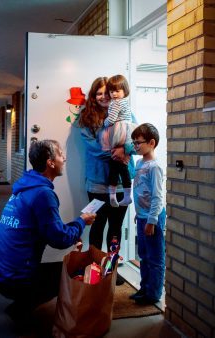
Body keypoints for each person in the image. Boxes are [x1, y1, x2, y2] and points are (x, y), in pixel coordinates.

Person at [0, 139, 96, 325]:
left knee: (54, 268)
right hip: (11, 278)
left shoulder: (25, 187)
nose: (65, 158)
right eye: (61, 154)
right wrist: (82, 221)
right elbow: (59, 239)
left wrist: (74, 229)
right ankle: (21, 309)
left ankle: (21, 303)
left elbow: (52, 230)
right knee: (69, 272)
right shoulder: (43, 194)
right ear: (50, 162)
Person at [77, 77, 136, 285]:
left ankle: (111, 270)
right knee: (97, 226)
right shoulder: (86, 118)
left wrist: (125, 149)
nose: (103, 97)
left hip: (122, 184)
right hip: (97, 183)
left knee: (116, 228)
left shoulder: (126, 111)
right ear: (93, 96)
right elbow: (93, 149)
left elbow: (136, 138)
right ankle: (94, 268)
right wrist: (116, 152)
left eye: (106, 92)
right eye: (98, 93)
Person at [128, 123, 166, 305]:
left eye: (138, 143)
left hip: (154, 217)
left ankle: (153, 294)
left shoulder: (155, 167)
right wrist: (139, 214)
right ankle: (144, 288)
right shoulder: (139, 162)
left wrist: (151, 220)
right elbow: (140, 192)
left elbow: (157, 197)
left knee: (155, 257)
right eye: (133, 143)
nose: (135, 146)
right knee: (143, 255)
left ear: (151, 142)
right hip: (143, 216)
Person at [101, 74, 134, 207]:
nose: (114, 94)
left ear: (125, 91)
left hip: (119, 131)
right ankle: (125, 196)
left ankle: (113, 195)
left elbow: (112, 119)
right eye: (112, 91)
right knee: (122, 168)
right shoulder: (125, 102)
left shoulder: (116, 103)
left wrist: (105, 122)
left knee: (115, 167)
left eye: (117, 91)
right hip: (125, 132)